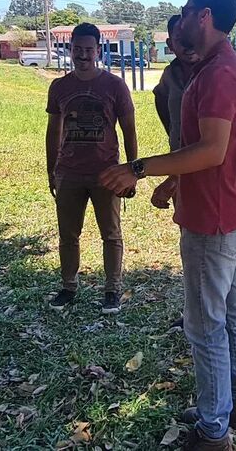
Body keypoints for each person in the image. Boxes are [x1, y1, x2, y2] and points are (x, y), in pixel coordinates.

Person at [101, 0, 236, 451]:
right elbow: (221, 145)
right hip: (226, 205)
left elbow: (212, 150)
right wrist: (174, 179)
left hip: (213, 217)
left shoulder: (217, 76)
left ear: (205, 17)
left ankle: (214, 430)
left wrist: (139, 168)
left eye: (187, 11)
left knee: (205, 321)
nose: (182, 18)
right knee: (230, 308)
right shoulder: (219, 69)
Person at [46, 22, 137, 311]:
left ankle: (113, 289)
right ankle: (68, 287)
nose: (82, 55)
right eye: (77, 50)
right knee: (68, 235)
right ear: (70, 50)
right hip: (68, 173)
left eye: (88, 49)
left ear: (98, 50)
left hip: (107, 173)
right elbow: (53, 130)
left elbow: (129, 130)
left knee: (110, 234)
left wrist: (132, 172)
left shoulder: (114, 85)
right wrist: (52, 170)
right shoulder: (59, 86)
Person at [153, 14, 200, 151]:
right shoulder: (170, 74)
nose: (189, 46)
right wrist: (173, 131)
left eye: (192, 38)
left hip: (210, 163)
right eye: (180, 40)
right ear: (170, 44)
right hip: (178, 158)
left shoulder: (215, 73)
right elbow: (160, 97)